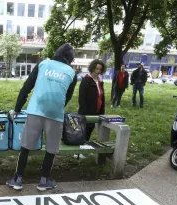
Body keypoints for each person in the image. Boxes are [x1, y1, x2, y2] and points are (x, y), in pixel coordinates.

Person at [6, 43, 77, 191]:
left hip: (36, 110)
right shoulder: (71, 73)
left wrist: (17, 109)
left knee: (25, 147)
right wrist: (57, 107)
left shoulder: (43, 64)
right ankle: (44, 180)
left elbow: (26, 87)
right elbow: (67, 96)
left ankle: (18, 179)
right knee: (51, 149)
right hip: (56, 114)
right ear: (71, 59)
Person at [78, 59, 106, 141]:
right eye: (97, 69)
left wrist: (102, 111)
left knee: (89, 131)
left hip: (97, 111)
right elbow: (81, 98)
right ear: (92, 68)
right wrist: (84, 113)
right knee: (84, 132)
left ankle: (82, 149)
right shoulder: (86, 80)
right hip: (86, 112)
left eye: (100, 69)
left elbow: (102, 97)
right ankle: (78, 151)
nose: (98, 71)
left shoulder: (100, 81)